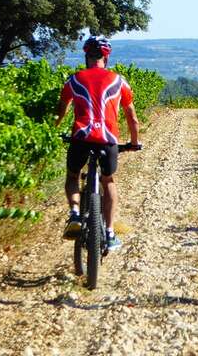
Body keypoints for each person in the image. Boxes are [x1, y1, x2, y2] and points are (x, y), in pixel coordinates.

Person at [55, 36, 140, 251]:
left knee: (73, 175)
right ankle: (110, 233)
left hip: (81, 138)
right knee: (108, 180)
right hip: (107, 140)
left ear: (87, 57)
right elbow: (132, 117)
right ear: (106, 58)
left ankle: (74, 213)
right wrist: (134, 142)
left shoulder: (74, 80)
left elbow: (61, 110)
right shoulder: (118, 81)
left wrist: (52, 130)